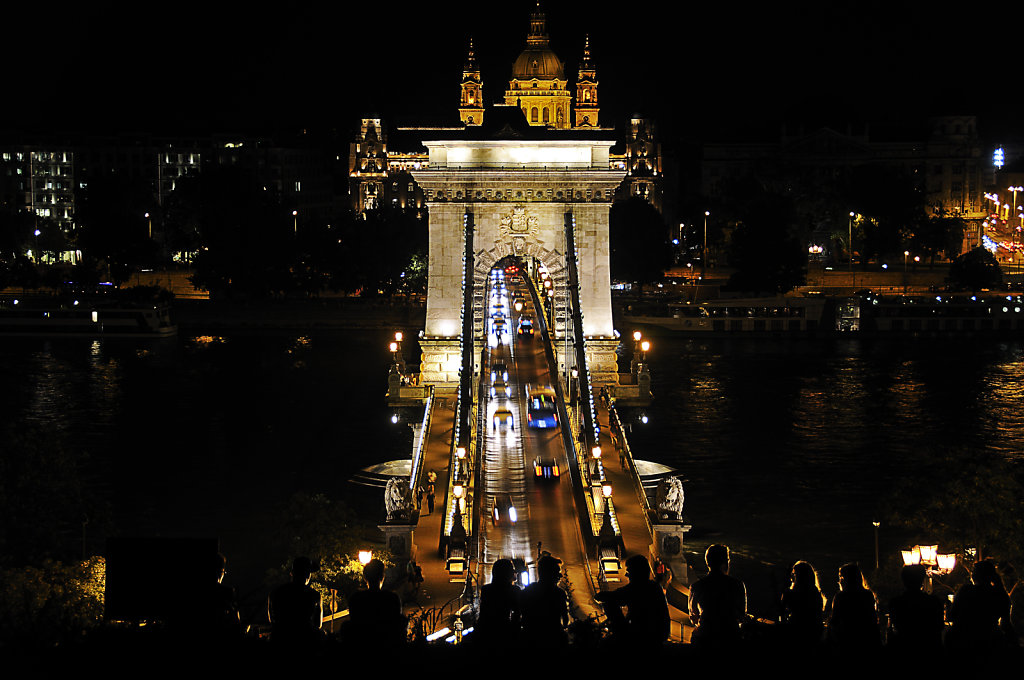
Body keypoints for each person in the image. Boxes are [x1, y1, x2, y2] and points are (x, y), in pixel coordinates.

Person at [596, 554, 670, 646]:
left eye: (629, 573)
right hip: (659, 634)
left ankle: (620, 634)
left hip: (644, 635)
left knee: (609, 603)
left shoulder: (637, 588)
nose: (628, 576)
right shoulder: (654, 587)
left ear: (636, 573)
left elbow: (615, 596)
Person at [688, 544, 747, 649]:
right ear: (725, 562)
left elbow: (693, 617)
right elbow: (741, 615)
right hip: (730, 638)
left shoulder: (697, 587)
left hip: (705, 639)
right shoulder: (737, 585)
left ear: (708, 563)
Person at [947, 559, 1011, 652]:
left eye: (973, 571)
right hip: (990, 642)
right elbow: (1006, 623)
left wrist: (948, 606)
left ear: (976, 575)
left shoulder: (966, 591)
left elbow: (951, 616)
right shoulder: (999, 594)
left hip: (964, 641)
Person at [347, 558, 407, 646]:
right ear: (382, 576)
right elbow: (397, 623)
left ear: (365, 577)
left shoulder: (356, 598)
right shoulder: (391, 598)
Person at [887, 564, 944, 653]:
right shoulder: (933, 602)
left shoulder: (896, 602)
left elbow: (893, 628)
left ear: (903, 580)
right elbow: (939, 628)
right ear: (922, 579)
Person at [268, 557, 323, 644]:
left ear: (292, 573)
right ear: (308, 575)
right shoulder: (314, 595)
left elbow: (272, 620)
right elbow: (318, 625)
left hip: (279, 639)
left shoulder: (275, 593)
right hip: (306, 640)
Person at [519, 554, 570, 648]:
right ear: (549, 573)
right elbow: (565, 620)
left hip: (530, 641)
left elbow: (521, 616)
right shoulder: (559, 594)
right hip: (554, 641)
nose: (560, 575)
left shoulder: (528, 591)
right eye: (557, 571)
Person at [826, 563, 880, 651]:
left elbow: (834, 620)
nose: (839, 581)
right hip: (867, 640)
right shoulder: (867, 594)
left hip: (845, 640)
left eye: (841, 577)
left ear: (848, 579)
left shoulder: (841, 597)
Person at [475, 559, 522, 645]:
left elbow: (483, 614)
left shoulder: (486, 590)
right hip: (506, 632)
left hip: (487, 632)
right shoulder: (514, 590)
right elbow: (517, 614)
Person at [779, 561, 825, 647]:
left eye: (794, 575)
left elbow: (782, 610)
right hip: (814, 635)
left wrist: (786, 592)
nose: (791, 578)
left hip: (798, 633)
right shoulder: (816, 593)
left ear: (801, 576)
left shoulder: (796, 594)